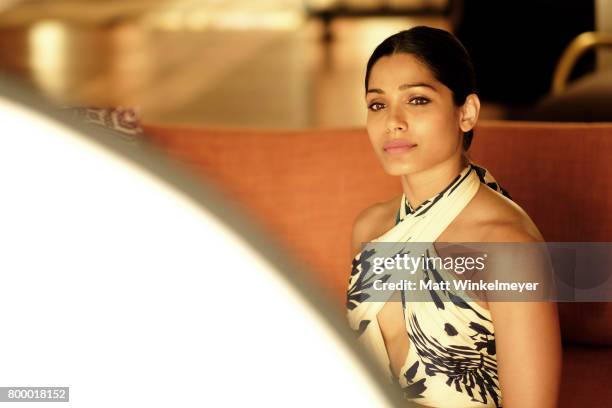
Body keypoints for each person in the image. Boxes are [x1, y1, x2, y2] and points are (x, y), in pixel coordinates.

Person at [346, 26, 561, 407]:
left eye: (417, 100)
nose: (392, 121)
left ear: (467, 113)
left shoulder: (508, 248)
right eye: (377, 104)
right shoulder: (370, 229)